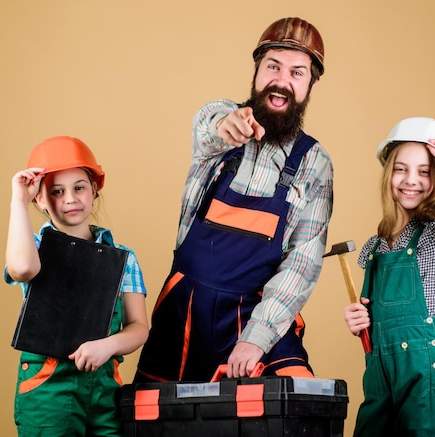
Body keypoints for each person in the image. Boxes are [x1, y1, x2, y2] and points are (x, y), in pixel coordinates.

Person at [134, 17, 333, 383]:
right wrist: (227, 125)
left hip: (258, 311)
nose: (282, 81)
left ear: (312, 85)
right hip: (184, 309)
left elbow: (302, 264)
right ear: (257, 70)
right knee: (156, 417)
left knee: (299, 401)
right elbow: (209, 125)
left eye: (297, 73)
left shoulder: (314, 164)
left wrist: (256, 339)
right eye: (273, 66)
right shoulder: (222, 126)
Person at [343, 117, 435, 436]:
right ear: (387, 173)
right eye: (401, 168)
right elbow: (381, 320)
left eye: (424, 171)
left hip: (428, 375)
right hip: (381, 376)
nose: (411, 179)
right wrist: (360, 320)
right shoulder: (375, 246)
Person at [4, 136, 149, 436]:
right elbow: (22, 268)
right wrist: (18, 199)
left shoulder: (123, 259)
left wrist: (106, 346)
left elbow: (139, 327)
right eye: (57, 191)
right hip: (48, 391)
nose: (70, 198)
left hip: (105, 392)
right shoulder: (33, 248)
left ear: (94, 190)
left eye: (79, 187)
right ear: (40, 200)